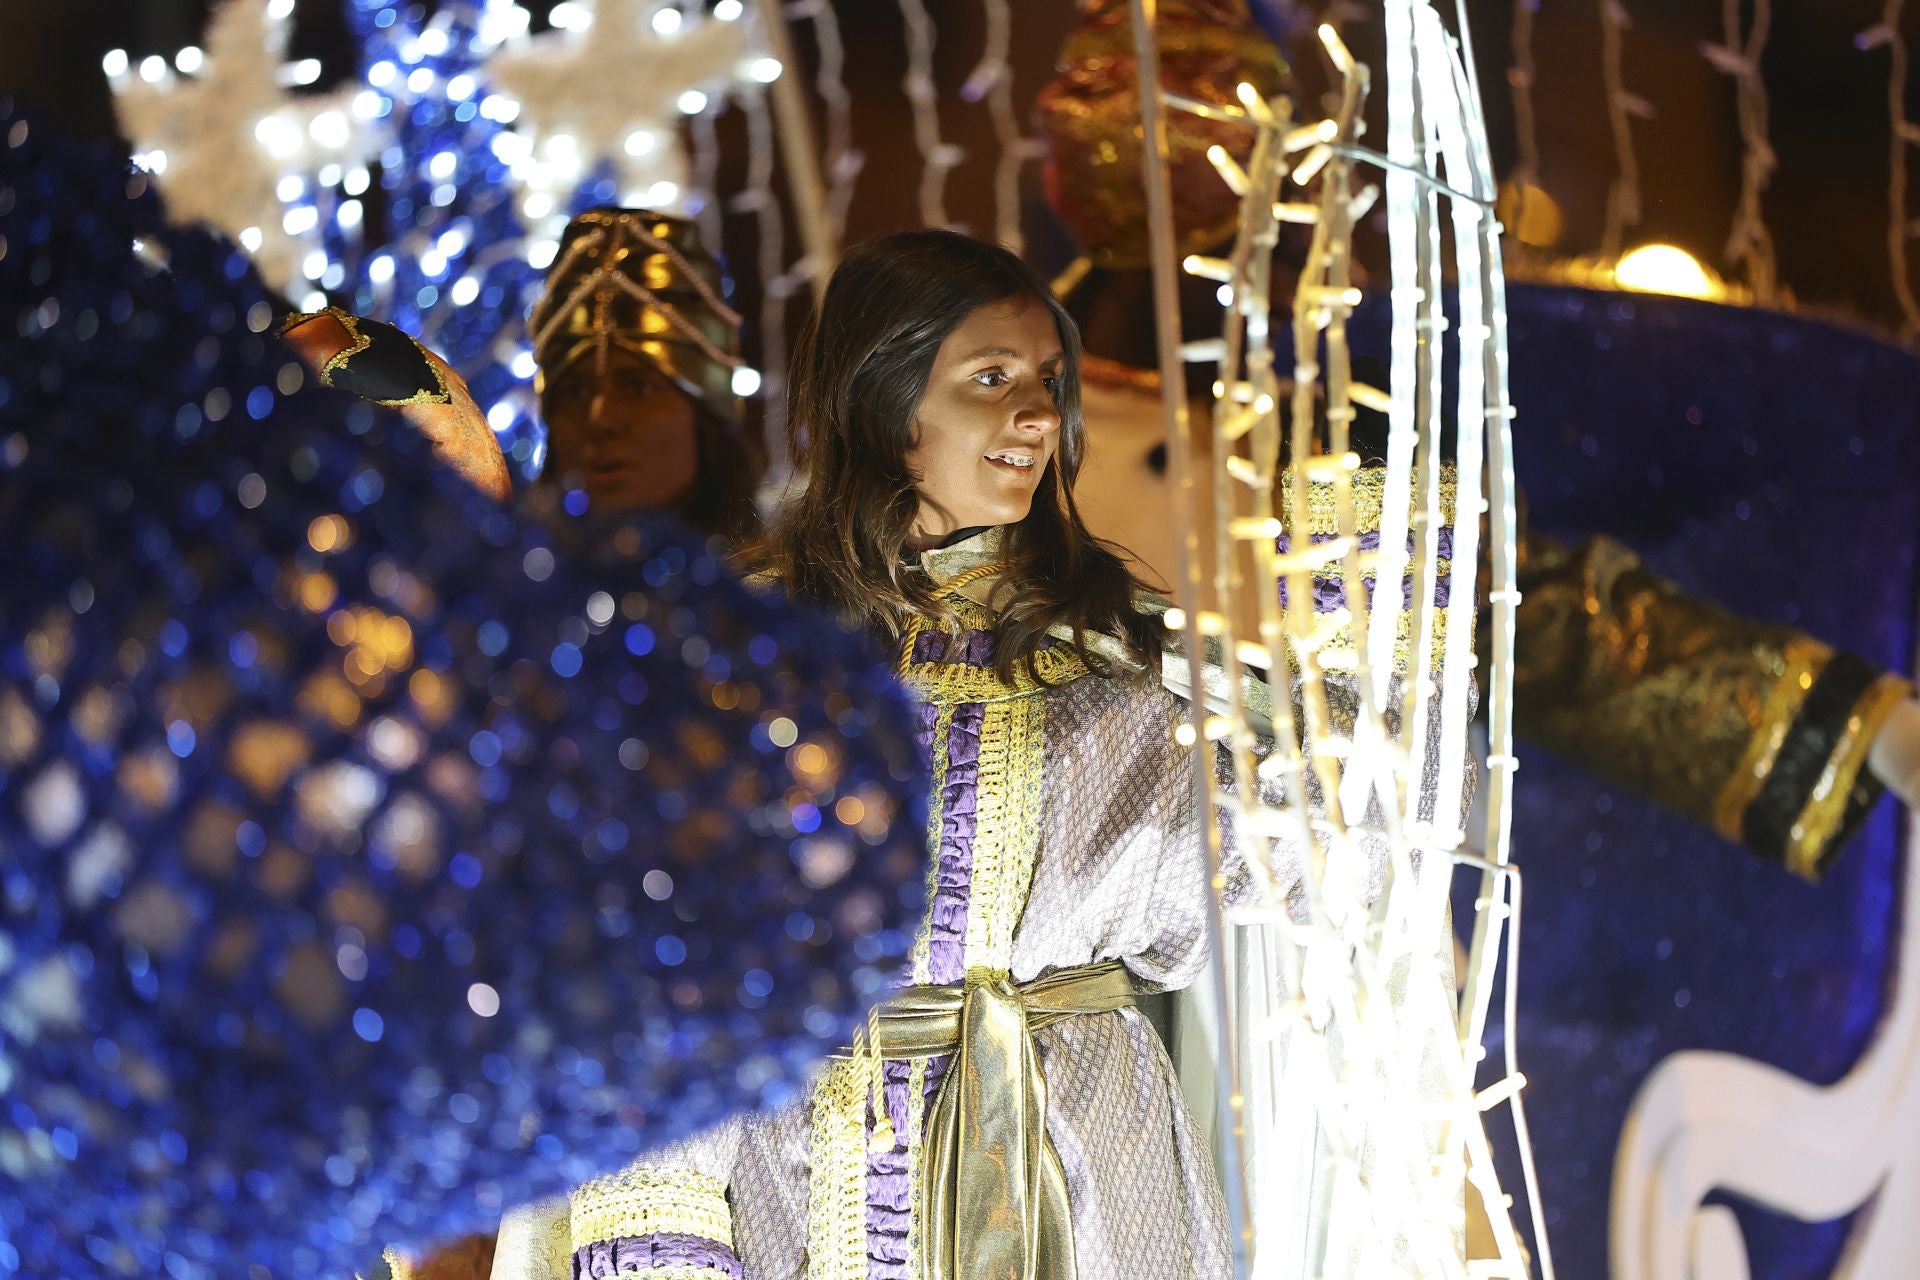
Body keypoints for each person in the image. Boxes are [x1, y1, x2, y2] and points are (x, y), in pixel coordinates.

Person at [484, 227, 1421, 1279]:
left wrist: (1357, 607)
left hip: (1090, 1176)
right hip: (811, 1177)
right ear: (886, 407)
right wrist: (666, 1245)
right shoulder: (737, 665)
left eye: (1047, 380)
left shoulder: (1136, 666)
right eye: (991, 376)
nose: (1035, 411)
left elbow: (1349, 853)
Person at [525, 206, 763, 542]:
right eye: (575, 393)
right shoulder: (509, 587)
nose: (600, 419)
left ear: (706, 411)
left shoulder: (787, 591)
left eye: (637, 388)